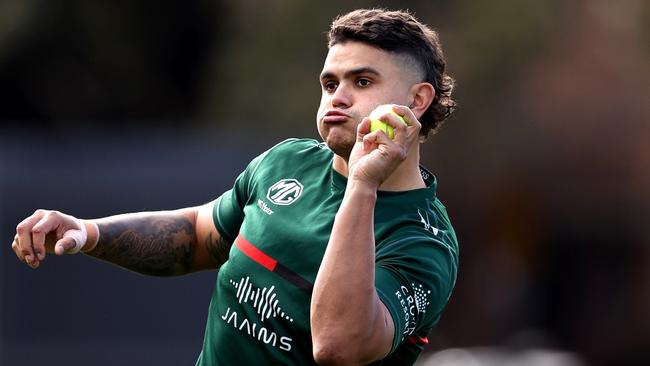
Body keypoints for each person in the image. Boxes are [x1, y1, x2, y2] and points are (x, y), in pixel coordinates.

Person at [11, 8, 458, 365]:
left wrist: (362, 186)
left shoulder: (423, 242)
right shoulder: (288, 161)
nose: (337, 97)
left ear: (417, 101)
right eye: (329, 83)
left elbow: (339, 346)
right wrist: (88, 232)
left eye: (362, 82)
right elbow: (196, 236)